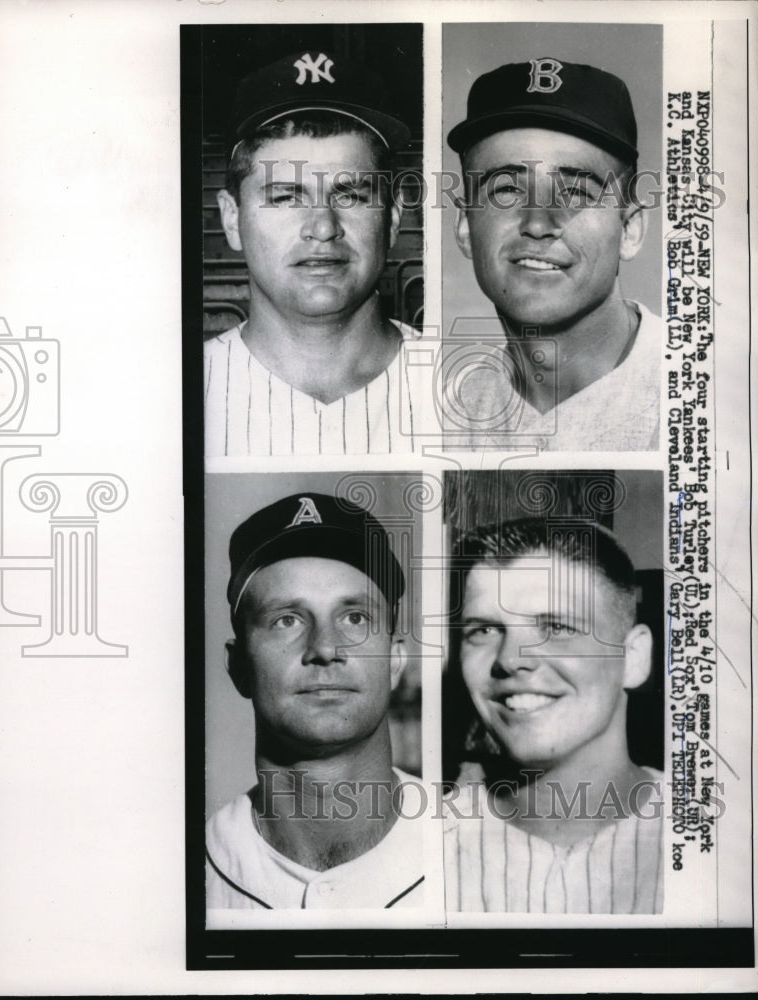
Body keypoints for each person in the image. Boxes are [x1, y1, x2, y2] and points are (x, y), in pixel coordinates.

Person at [206, 491, 426, 910]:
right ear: (239, 666)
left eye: (355, 618)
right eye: (286, 619)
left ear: (396, 658)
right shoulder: (182, 879)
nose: (325, 647)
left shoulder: (480, 858)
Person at [204, 51, 421, 456]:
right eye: (286, 197)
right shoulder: (180, 393)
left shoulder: (473, 389)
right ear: (232, 220)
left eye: (351, 195)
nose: (322, 227)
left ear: (392, 217)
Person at [444, 517, 663, 913]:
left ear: (633, 658)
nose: (511, 660)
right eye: (485, 630)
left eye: (555, 626)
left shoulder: (718, 839)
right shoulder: (425, 843)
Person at [446, 60, 661, 451]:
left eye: (576, 192)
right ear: (465, 226)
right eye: (507, 189)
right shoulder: (449, 410)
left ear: (629, 230)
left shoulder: (703, 390)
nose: (539, 224)